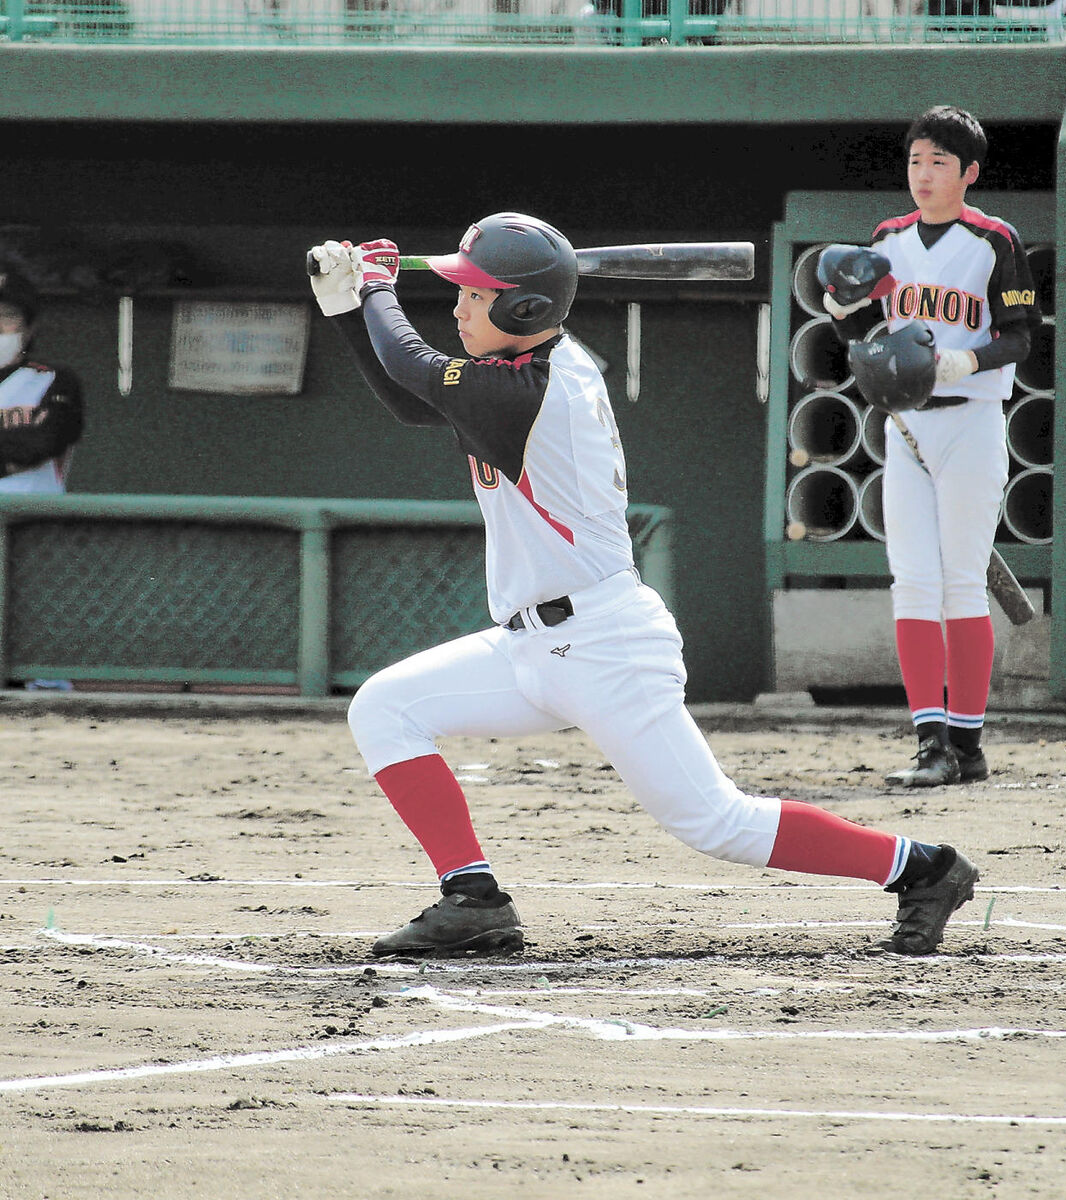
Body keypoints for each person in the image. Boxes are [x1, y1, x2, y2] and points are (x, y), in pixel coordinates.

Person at [307, 211, 978, 959]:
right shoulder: (522, 373)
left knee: (717, 823)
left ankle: (923, 868)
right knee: (385, 707)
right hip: (530, 646)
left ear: (523, 308)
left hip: (603, 648)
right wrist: (348, 309)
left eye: (474, 294)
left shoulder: (535, 392)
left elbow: (416, 369)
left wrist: (373, 288)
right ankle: (473, 899)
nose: (459, 306)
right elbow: (410, 396)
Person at [821, 106, 1041, 788]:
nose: (923, 173)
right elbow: (864, 321)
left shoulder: (992, 240)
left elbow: (1018, 335)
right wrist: (841, 309)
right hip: (904, 425)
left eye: (939, 162)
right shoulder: (888, 237)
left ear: (968, 173)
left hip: (970, 421)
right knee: (912, 580)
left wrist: (962, 363)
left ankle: (967, 744)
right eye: (916, 160)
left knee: (959, 581)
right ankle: (929, 742)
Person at [0, 264, 84, 495]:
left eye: (7, 315)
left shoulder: (54, 379)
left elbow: (42, 444)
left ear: (29, 328)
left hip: (34, 522)